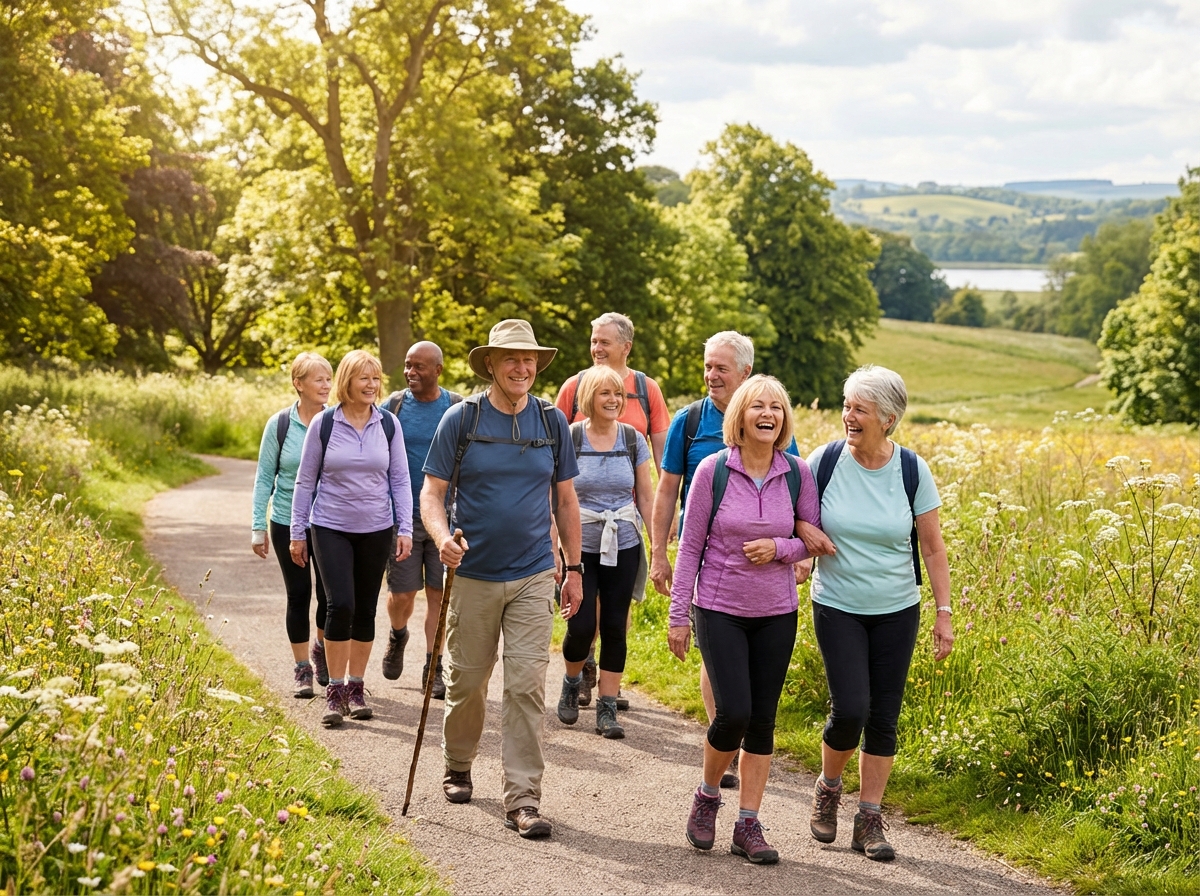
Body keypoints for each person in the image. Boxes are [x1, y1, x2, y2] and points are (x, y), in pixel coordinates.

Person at [420, 319, 582, 839]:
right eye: (511, 358)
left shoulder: (552, 421)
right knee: (467, 682)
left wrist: (573, 568)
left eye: (530, 359)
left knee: (526, 685)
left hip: (535, 571)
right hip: (472, 573)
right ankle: (459, 762)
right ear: (490, 364)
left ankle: (524, 798)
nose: (522, 367)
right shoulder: (460, 420)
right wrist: (441, 536)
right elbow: (431, 493)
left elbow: (566, 500)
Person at [668, 375, 830, 864]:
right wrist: (679, 615)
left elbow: (814, 538)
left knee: (762, 721)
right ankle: (708, 796)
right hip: (719, 608)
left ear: (784, 420)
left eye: (777, 407)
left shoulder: (798, 472)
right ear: (740, 415)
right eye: (758, 405)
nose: (769, 414)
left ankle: (748, 824)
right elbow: (690, 546)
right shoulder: (713, 472)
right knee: (733, 712)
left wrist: (780, 548)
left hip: (777, 611)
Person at [801, 365, 954, 861]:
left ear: (887, 418)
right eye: (846, 405)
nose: (848, 415)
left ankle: (869, 816)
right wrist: (805, 545)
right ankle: (828, 786)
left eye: (859, 409)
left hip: (896, 608)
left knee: (883, 716)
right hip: (837, 603)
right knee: (850, 710)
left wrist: (943, 612)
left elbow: (932, 548)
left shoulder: (912, 470)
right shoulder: (823, 461)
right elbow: (796, 520)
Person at [651, 331, 799, 788]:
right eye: (707, 367)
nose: (711, 376)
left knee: (745, 686)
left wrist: (793, 551)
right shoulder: (690, 422)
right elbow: (666, 488)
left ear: (745, 373)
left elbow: (796, 502)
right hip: (712, 568)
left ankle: (730, 748)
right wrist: (659, 551)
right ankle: (725, 743)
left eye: (721, 368)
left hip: (767, 585)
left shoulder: (775, 429)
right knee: (720, 666)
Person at [290, 350, 413, 728]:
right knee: (339, 604)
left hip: (377, 528)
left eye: (376, 378)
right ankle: (335, 690)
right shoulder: (325, 425)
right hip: (330, 526)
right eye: (364, 378)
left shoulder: (388, 424)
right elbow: (305, 481)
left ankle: (357, 688)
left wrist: (404, 527)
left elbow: (400, 480)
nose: (372, 385)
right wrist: (297, 532)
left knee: (365, 610)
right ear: (347, 381)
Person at [554, 312, 670, 710]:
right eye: (593, 341)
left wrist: (663, 524)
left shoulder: (646, 391)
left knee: (616, 618)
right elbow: (555, 468)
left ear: (626, 346)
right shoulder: (573, 389)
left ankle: (608, 689)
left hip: (623, 525)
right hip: (580, 527)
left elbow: (661, 461)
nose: (597, 348)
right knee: (585, 617)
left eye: (604, 341)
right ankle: (581, 671)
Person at [378, 341, 462, 698]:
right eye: (408, 366)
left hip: (445, 517)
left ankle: (434, 664)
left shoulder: (456, 407)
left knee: (439, 595)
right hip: (404, 517)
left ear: (438, 370)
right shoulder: (393, 407)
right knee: (402, 594)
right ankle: (398, 635)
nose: (411, 373)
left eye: (419, 367)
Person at [251, 351, 333, 698]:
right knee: (299, 594)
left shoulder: (337, 421)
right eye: (319, 379)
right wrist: (258, 526)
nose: (326, 385)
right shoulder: (280, 424)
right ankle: (302, 669)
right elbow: (264, 477)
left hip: (330, 522)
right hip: (286, 520)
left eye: (329, 378)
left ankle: (321, 647)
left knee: (330, 597)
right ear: (298, 384)